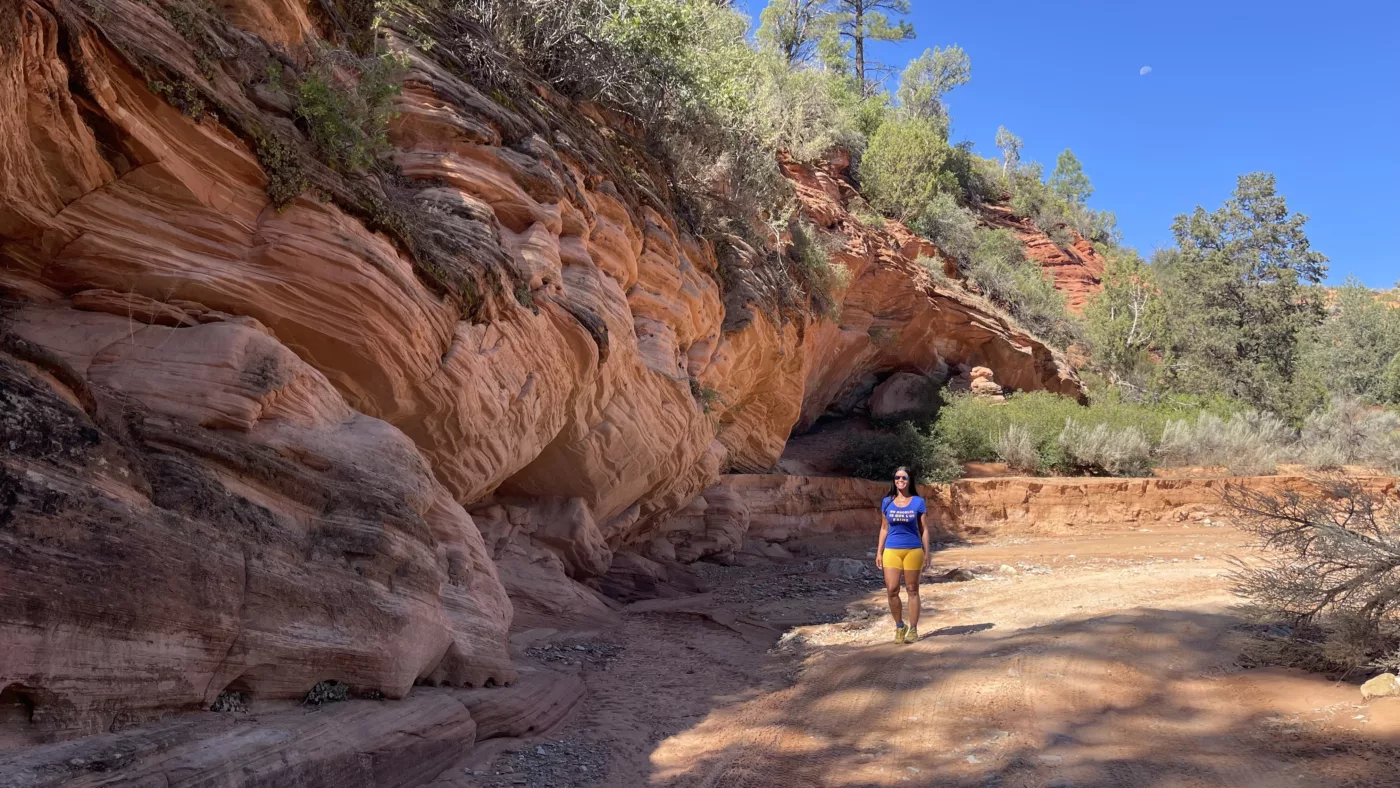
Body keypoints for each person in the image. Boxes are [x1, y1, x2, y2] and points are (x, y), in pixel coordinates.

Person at [874, 466, 930, 644]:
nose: (900, 481)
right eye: (897, 477)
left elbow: (924, 529)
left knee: (912, 590)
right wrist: (879, 551)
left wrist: (927, 552)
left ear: (910, 480)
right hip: (892, 549)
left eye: (904, 478)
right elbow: (884, 528)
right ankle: (900, 626)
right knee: (892, 590)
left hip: (913, 550)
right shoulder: (887, 502)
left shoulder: (918, 502)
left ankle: (913, 628)